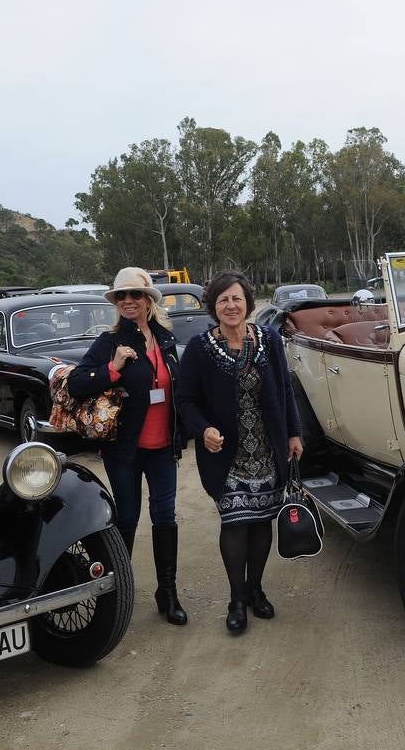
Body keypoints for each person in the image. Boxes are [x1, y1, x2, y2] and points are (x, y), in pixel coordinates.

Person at [175, 272, 303, 635]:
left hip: (267, 449)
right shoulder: (200, 348)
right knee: (234, 523)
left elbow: (285, 388)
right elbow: (185, 399)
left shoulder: (269, 339)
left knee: (262, 522)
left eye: (237, 298)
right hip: (226, 455)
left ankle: (255, 590)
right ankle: (235, 600)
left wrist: (294, 432)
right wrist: (203, 429)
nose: (231, 306)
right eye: (223, 300)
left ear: (247, 302)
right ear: (213, 307)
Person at [66, 267, 187, 626]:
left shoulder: (165, 338)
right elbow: (76, 384)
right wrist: (113, 367)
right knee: (128, 517)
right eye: (122, 296)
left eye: (136, 294)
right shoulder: (110, 341)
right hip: (125, 451)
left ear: (149, 300)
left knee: (165, 517)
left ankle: (167, 593)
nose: (129, 301)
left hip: (163, 446)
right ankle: (117, 594)